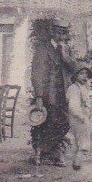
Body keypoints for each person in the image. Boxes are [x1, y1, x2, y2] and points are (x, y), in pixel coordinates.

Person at [31, 20, 77, 166]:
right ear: (52, 32)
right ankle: (41, 152)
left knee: (64, 122)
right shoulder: (42, 48)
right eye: (58, 31)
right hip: (48, 93)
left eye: (63, 32)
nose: (60, 35)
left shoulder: (66, 49)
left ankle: (54, 151)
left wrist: (65, 56)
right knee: (47, 123)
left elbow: (74, 69)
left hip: (64, 91)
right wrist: (38, 96)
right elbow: (36, 73)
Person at [67, 66, 92, 170]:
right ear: (75, 75)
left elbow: (85, 101)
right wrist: (81, 116)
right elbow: (73, 106)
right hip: (78, 118)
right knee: (82, 141)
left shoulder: (84, 87)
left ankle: (77, 162)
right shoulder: (74, 88)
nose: (85, 76)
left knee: (81, 140)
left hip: (84, 117)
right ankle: (77, 163)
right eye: (81, 73)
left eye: (86, 74)